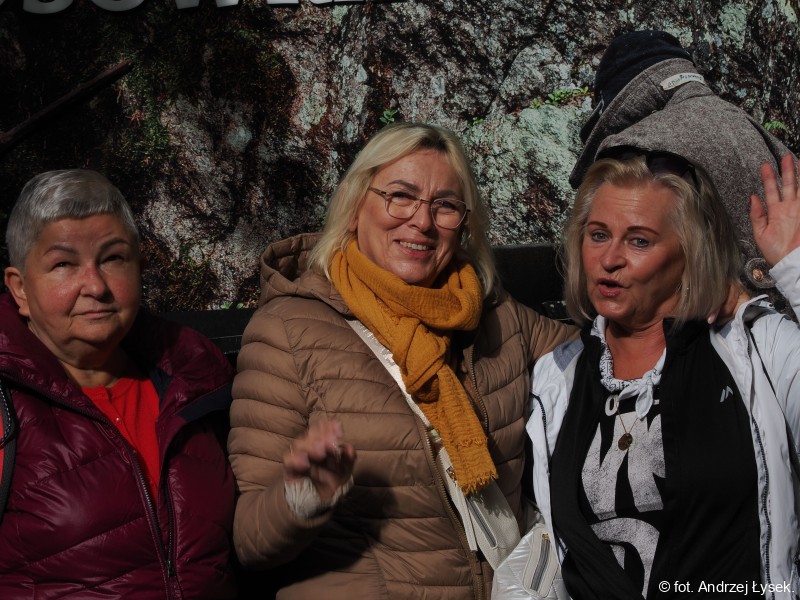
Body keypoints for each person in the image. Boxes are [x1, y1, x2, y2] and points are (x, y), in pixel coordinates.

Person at [227, 122, 577, 599]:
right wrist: (304, 493)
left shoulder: (493, 312)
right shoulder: (286, 332)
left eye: (445, 205)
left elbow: (607, 360)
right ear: (354, 206)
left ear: (464, 224)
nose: (422, 221)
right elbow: (250, 542)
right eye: (401, 196)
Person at [494, 151, 800, 599]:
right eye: (598, 235)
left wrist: (794, 267)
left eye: (639, 241)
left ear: (690, 252)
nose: (609, 259)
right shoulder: (556, 376)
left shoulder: (755, 348)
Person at [0, 169, 238, 598]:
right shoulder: (5, 407)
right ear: (19, 289)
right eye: (63, 264)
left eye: (113, 259)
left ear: (140, 268)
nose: (95, 286)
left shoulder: (196, 385)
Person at [569, 29, 796, 315]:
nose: (609, 257)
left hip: (714, 327)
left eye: (639, 241)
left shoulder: (636, 147)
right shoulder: (751, 128)